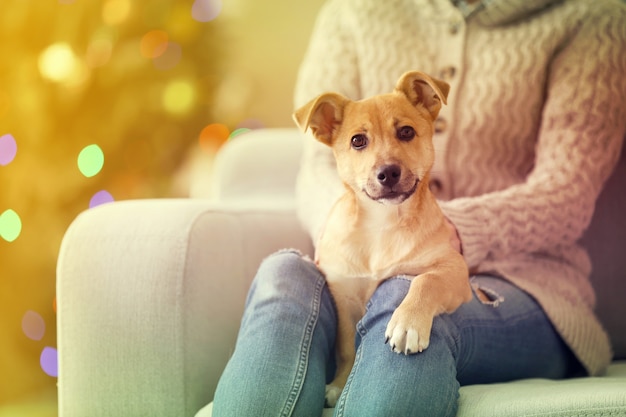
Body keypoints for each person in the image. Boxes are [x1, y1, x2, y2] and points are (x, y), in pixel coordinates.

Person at [212, 0, 626, 415]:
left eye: (406, 133)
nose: (386, 162)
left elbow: (567, 192)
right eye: (361, 142)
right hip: (356, 246)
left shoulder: (592, 16)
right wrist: (346, 233)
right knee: (282, 274)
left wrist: (442, 231)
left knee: (404, 292)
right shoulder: (352, 11)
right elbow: (317, 162)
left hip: (530, 286)